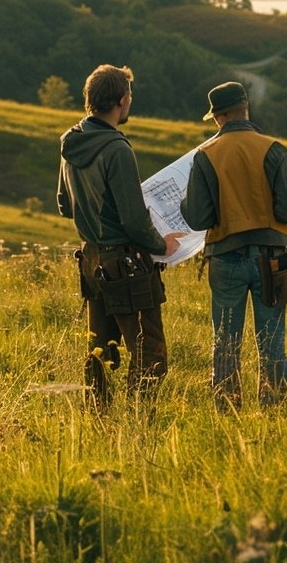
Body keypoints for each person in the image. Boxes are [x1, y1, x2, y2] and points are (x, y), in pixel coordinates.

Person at [57, 64, 183, 409]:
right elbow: (133, 220)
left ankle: (97, 418)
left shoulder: (71, 143)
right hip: (125, 263)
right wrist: (163, 244)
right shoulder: (117, 149)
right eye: (129, 97)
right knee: (150, 353)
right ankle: (138, 425)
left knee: (101, 351)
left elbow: (65, 206)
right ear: (121, 100)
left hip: (91, 258)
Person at [181, 80, 287, 408]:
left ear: (219, 117)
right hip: (273, 260)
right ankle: (275, 411)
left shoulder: (206, 155)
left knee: (225, 343)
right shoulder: (274, 149)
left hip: (225, 258)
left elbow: (196, 218)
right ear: (245, 109)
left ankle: (227, 411)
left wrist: (185, 201)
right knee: (272, 344)